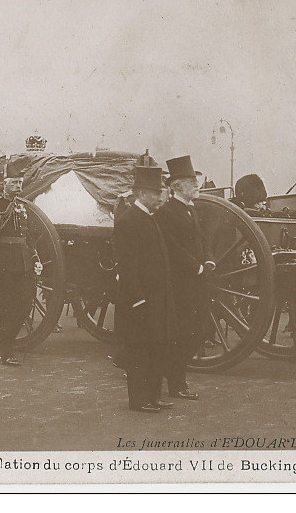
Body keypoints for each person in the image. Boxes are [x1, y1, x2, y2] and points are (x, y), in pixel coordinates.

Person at [113, 165, 177, 413]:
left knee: (156, 348)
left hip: (156, 298)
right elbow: (127, 265)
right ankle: (139, 400)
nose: (160, 197)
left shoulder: (149, 218)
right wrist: (138, 298)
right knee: (139, 351)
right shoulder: (128, 221)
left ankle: (153, 396)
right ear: (140, 193)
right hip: (138, 300)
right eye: (155, 192)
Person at [156, 155, 215, 401]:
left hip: (196, 279)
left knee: (201, 330)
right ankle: (177, 383)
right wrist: (195, 266)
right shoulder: (166, 212)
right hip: (179, 282)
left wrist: (209, 259)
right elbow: (172, 245)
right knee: (183, 332)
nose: (196, 185)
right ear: (176, 186)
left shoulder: (190, 209)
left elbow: (201, 240)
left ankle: (172, 373)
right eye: (191, 182)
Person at [0, 156, 43, 366]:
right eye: (14, 182)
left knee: (24, 304)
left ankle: (1, 335)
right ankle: (6, 350)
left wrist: (35, 259)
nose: (18, 186)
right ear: (5, 184)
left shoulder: (24, 207)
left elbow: (29, 237)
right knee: (6, 306)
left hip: (24, 264)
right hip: (5, 265)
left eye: (20, 183)